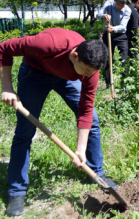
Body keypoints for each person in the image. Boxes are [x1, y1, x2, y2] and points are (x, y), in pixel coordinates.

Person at [0, 28, 117, 217]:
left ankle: (96, 173)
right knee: (25, 130)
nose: (88, 76)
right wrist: (6, 87)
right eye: (86, 71)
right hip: (35, 72)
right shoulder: (47, 44)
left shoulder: (90, 69)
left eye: (92, 73)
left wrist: (80, 149)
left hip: (67, 77)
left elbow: (85, 109)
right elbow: (4, 48)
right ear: (75, 55)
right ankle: (17, 190)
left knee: (93, 121)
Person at [96, 0, 132, 88]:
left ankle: (123, 84)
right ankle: (108, 84)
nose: (120, 7)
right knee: (107, 58)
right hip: (108, 35)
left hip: (121, 36)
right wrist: (103, 16)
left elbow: (123, 26)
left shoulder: (127, 10)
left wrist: (114, 28)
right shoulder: (109, 4)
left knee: (123, 59)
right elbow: (98, 14)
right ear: (115, 1)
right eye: (119, 4)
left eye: (123, 5)